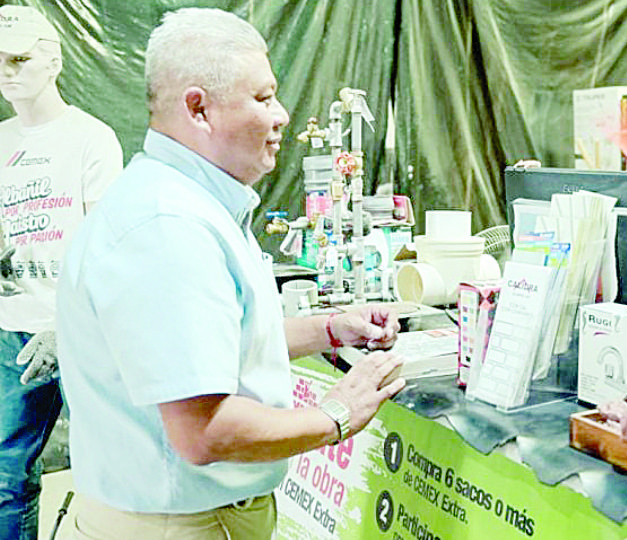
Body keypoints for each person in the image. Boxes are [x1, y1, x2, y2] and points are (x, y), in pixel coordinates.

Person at [56, 7, 405, 539]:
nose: (281, 115)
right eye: (263, 98)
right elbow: (204, 431)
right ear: (198, 108)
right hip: (175, 526)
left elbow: (215, 349)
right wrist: (337, 414)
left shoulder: (187, 202)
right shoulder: (170, 228)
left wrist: (331, 328)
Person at [0, 5, 123, 538]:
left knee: (106, 471)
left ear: (53, 61)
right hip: (9, 330)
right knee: (6, 473)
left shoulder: (91, 138)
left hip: (79, 331)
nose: (6, 71)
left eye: (19, 59)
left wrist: (65, 324)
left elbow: (105, 249)